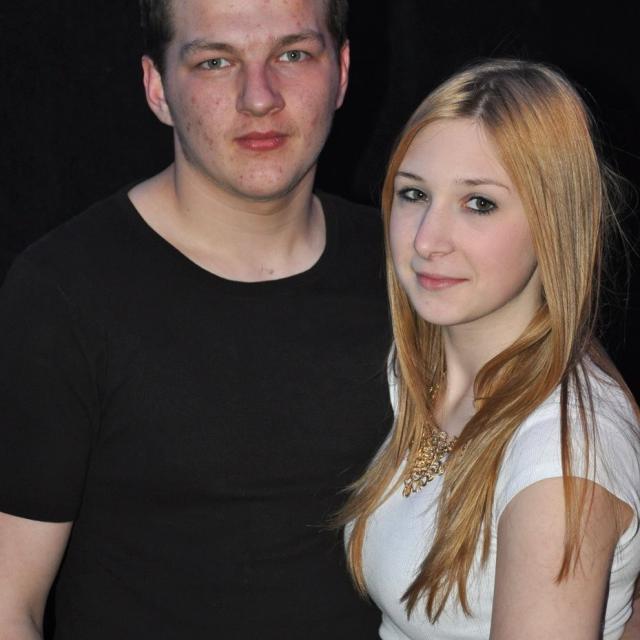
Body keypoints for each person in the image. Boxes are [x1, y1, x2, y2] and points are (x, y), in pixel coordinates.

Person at [0, 0, 392, 638]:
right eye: (215, 62)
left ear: (342, 72)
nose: (259, 97)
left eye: (293, 54)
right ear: (157, 88)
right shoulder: (64, 294)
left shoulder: (414, 272)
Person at [341, 59, 640, 639]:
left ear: (554, 221)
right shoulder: (422, 367)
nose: (427, 239)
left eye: (479, 203)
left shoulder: (558, 461)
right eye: (413, 194)